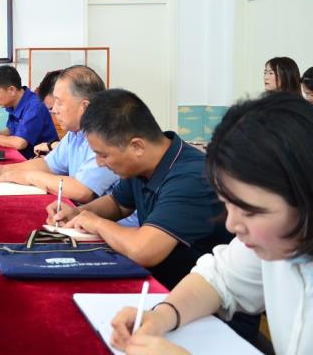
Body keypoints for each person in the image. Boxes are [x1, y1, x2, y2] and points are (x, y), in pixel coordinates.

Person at [110, 92, 313, 355]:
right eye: (228, 204)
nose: (232, 225)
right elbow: (218, 280)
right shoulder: (277, 240)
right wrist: (161, 315)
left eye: (250, 211)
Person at [46, 89, 232, 289]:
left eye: (104, 155)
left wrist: (97, 223)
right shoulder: (145, 164)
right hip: (160, 283)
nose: (99, 163)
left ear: (137, 146)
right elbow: (118, 204)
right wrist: (77, 214)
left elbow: (143, 251)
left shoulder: (191, 177)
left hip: (197, 297)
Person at [0, 66, 118, 203]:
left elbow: (82, 190)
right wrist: (1, 170)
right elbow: (48, 164)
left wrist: (28, 176)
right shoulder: (75, 133)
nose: (53, 110)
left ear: (84, 106)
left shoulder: (107, 135)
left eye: (59, 102)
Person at [0, 65, 58, 159]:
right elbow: (10, 132)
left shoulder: (34, 107)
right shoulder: (15, 102)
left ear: (12, 90)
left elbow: (20, 143)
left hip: (42, 160)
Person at [34, 69, 65, 151]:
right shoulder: (73, 133)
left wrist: (51, 145)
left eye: (59, 104)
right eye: (51, 109)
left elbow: (20, 143)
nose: (54, 111)